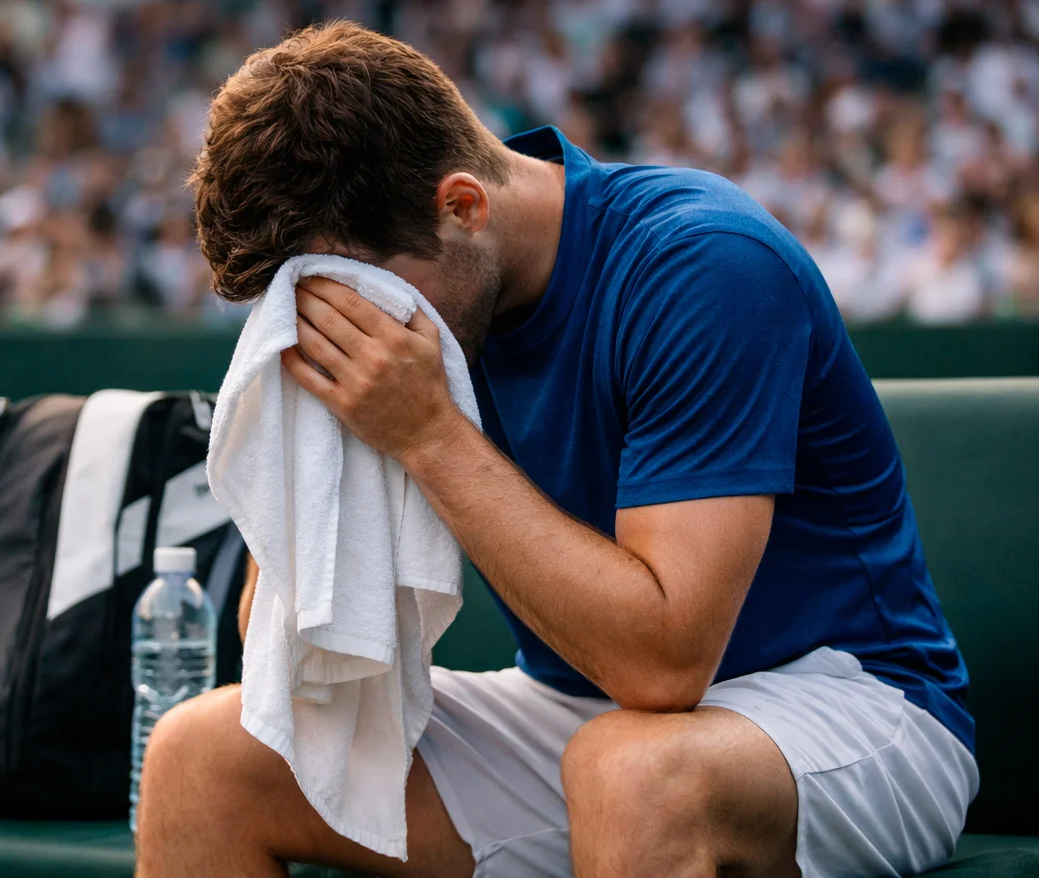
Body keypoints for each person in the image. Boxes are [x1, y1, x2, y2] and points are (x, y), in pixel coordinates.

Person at [138, 22, 976, 878]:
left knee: (630, 773)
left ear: (462, 207)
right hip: (587, 709)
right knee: (204, 758)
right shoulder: (427, 310)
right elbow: (277, 653)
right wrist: (317, 434)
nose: (347, 327)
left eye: (354, 291)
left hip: (855, 703)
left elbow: (665, 662)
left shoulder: (703, 264)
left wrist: (427, 431)